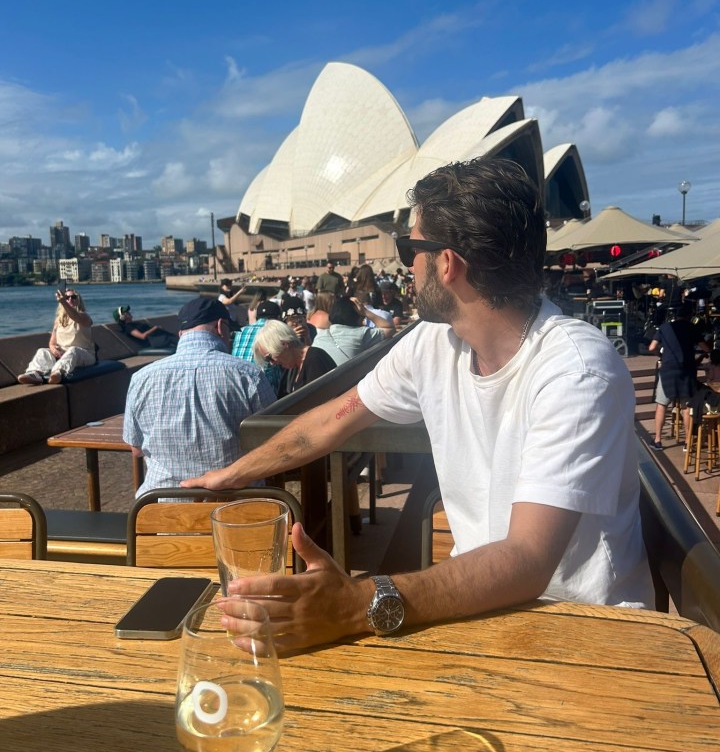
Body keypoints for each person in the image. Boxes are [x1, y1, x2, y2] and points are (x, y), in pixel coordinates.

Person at [183, 157, 654, 654]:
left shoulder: (576, 371)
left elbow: (528, 558)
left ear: (448, 264)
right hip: (484, 614)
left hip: (583, 633)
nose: (406, 265)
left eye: (410, 248)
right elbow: (330, 421)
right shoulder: (434, 343)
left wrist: (354, 603)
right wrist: (233, 473)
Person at [123, 297, 275, 495]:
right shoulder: (248, 374)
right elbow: (274, 439)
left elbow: (136, 449)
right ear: (221, 327)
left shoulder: (140, 378)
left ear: (181, 334)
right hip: (236, 509)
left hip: (160, 510)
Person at [647, 303, 710, 450]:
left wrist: (661, 355)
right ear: (689, 315)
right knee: (686, 406)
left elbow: (651, 347)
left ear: (676, 315)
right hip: (687, 370)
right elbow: (706, 348)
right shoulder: (692, 328)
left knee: (662, 404)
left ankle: (657, 440)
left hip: (668, 369)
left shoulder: (664, 327)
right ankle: (688, 443)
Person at [18, 287, 95, 384]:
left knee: (73, 350)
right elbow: (52, 342)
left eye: (73, 297)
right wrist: (53, 349)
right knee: (42, 351)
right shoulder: (58, 320)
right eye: (67, 297)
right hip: (63, 355)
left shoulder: (85, 317)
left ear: (78, 300)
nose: (70, 299)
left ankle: (57, 372)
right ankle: (35, 374)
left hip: (84, 354)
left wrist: (63, 302)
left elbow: (75, 316)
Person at [254, 319, 335, 397]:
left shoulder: (315, 359)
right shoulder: (290, 369)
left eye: (269, 357)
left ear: (284, 344)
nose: (271, 363)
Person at [312, 296, 393, 365]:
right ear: (356, 314)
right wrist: (365, 311)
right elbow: (389, 329)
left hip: (322, 381)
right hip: (349, 381)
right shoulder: (361, 334)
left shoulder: (319, 336)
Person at [113, 306, 179, 353]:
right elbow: (142, 336)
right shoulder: (128, 327)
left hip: (158, 338)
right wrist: (155, 328)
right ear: (122, 317)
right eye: (126, 312)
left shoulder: (134, 324)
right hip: (153, 342)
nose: (129, 313)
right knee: (171, 338)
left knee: (176, 336)